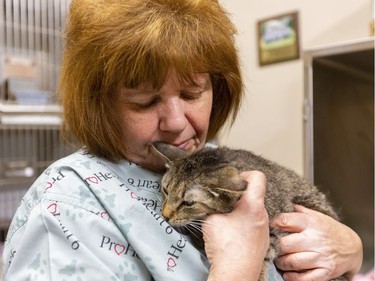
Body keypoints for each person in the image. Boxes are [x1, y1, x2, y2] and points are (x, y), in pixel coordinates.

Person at [2, 0, 362, 280]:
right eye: (145, 101)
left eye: (192, 94)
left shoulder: (207, 162)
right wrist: (236, 268)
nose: (177, 124)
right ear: (100, 105)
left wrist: (349, 249)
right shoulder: (65, 211)